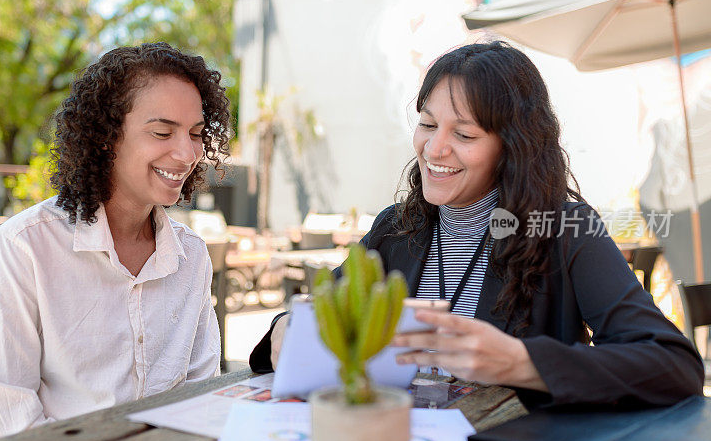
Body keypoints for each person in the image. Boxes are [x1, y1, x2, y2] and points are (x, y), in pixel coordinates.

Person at [250, 41, 704, 408]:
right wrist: (285, 328)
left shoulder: (564, 229)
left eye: (464, 135)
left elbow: (673, 364)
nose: (434, 149)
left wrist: (521, 363)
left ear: (513, 147)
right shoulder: (396, 229)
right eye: (428, 124)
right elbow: (318, 313)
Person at [0, 42, 230, 441]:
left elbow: (199, 394)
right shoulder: (26, 247)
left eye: (197, 134)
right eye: (162, 132)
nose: (186, 153)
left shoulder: (191, 257)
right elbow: (1, 423)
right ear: (106, 137)